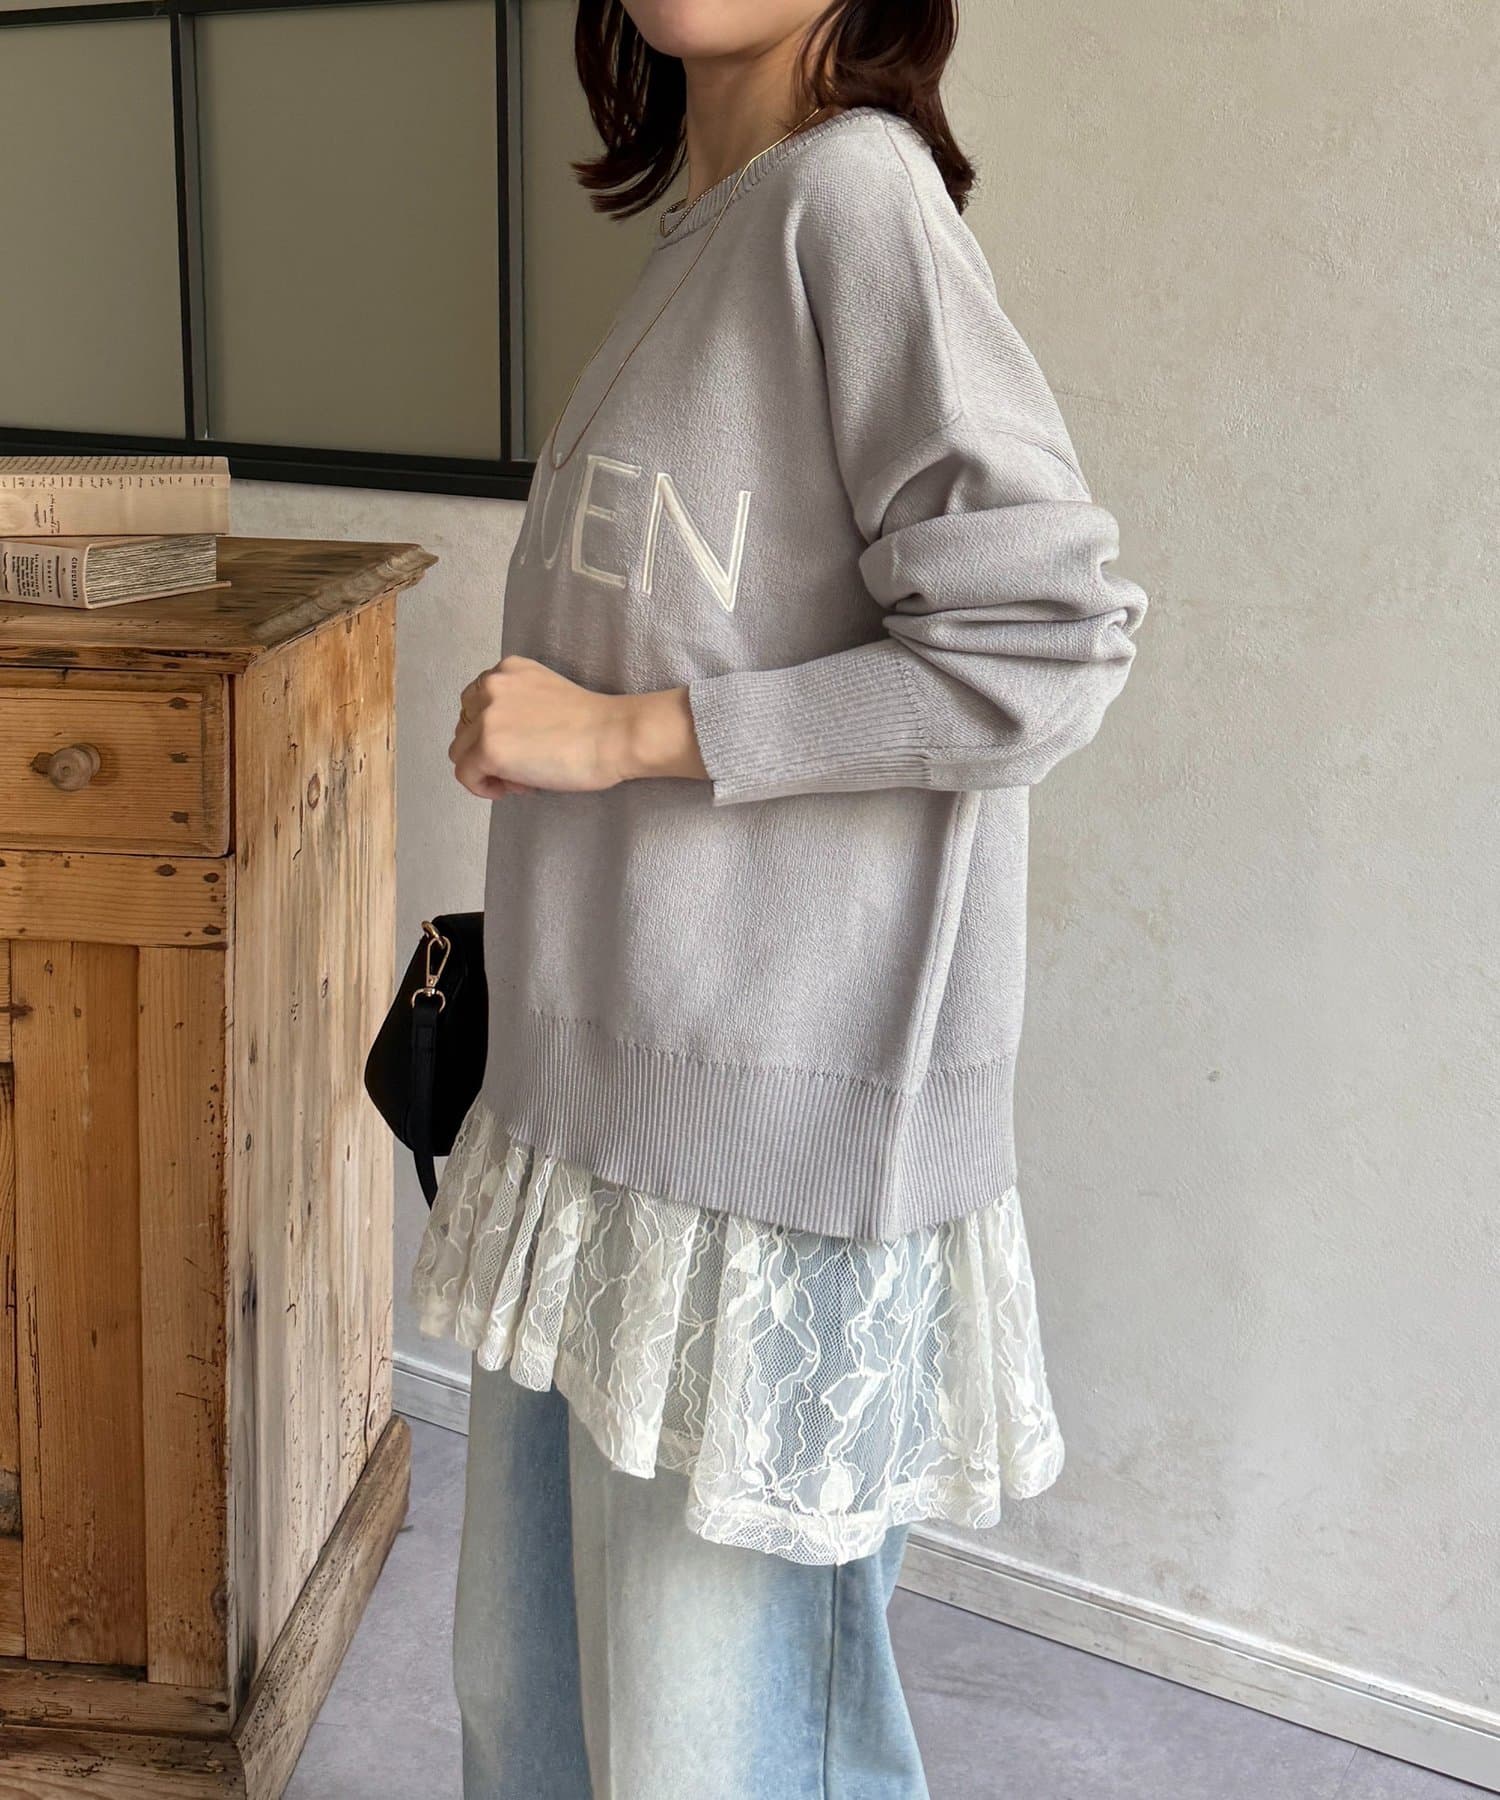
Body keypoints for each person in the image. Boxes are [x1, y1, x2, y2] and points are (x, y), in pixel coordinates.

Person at [413, 1, 1149, 1793]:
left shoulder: (855, 202)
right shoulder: (711, 229)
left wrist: (623, 733)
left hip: (767, 1154)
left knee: (716, 1757)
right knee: (531, 1716)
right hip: (592, 1126)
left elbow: (1042, 643)